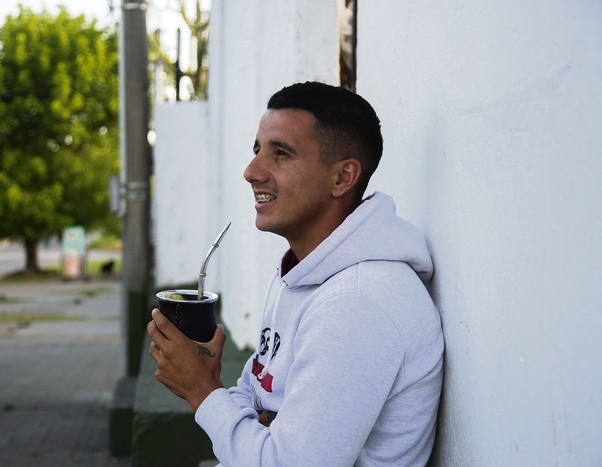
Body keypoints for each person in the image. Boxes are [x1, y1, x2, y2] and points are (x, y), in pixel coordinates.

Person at [148, 81, 444, 466]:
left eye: (281, 154)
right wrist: (257, 427)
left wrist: (203, 391)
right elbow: (253, 393)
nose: (252, 171)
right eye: (257, 150)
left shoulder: (357, 302)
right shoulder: (307, 272)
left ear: (342, 178)